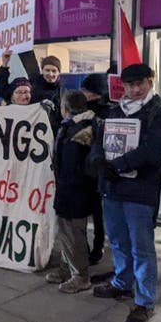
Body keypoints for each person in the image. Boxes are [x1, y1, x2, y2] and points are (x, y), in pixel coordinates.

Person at [90, 63, 161, 322]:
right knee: (117, 240)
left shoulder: (159, 114)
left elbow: (152, 151)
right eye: (130, 85)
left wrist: (117, 165)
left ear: (151, 81)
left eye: (141, 84)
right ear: (123, 86)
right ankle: (122, 282)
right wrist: (99, 163)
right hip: (113, 188)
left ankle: (145, 301)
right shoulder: (114, 111)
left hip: (140, 190)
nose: (136, 89)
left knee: (142, 247)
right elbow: (98, 142)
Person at [45, 90, 96, 294]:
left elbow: (74, 164)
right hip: (70, 190)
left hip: (75, 192)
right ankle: (67, 268)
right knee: (66, 234)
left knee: (74, 234)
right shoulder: (74, 127)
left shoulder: (82, 130)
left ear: (65, 109)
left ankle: (80, 276)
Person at [81, 73, 112, 264]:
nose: (83, 93)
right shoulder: (83, 110)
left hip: (98, 169)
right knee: (90, 209)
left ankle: (98, 244)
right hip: (86, 167)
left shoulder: (106, 113)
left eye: (86, 90)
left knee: (99, 212)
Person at [0, 50, 64, 129]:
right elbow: (4, 91)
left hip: (49, 134)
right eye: (47, 70)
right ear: (42, 70)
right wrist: (4, 65)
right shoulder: (32, 86)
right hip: (28, 131)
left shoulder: (63, 93)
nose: (50, 74)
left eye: (54, 71)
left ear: (58, 72)